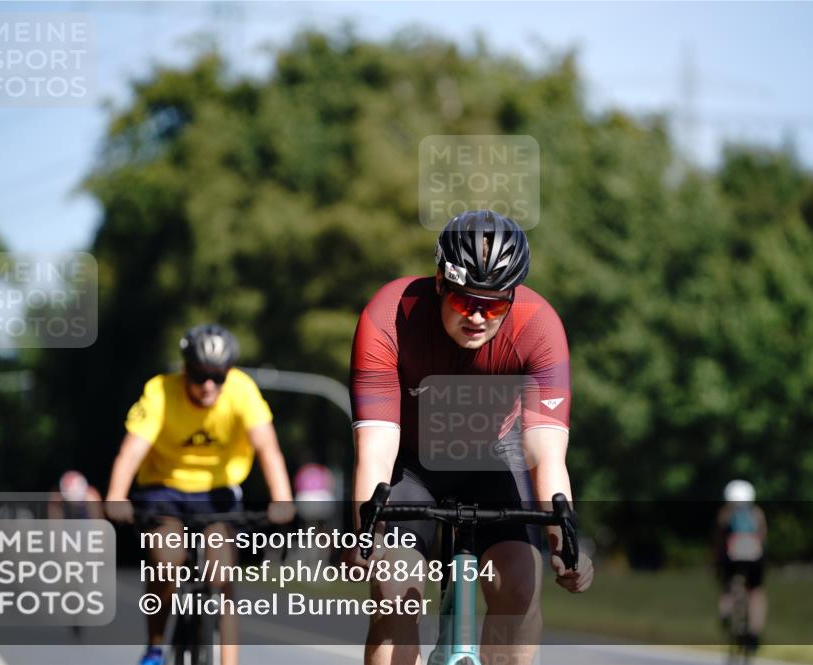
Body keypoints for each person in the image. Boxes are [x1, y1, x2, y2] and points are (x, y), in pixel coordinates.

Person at [348, 210, 594, 665]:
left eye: (495, 304)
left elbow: (545, 456)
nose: (479, 317)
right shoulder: (388, 315)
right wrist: (364, 537)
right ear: (441, 282)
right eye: (466, 302)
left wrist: (565, 542)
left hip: (493, 461)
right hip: (411, 466)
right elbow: (377, 451)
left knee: (520, 588)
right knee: (393, 591)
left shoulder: (539, 328)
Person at [105, 324, 295, 665]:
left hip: (218, 493)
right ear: (185, 368)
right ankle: (155, 646)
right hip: (164, 489)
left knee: (222, 575)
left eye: (218, 377)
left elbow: (268, 448)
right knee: (166, 560)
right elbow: (131, 451)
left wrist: (282, 498)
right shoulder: (160, 391)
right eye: (199, 375)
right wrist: (117, 494)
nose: (208, 386)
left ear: (228, 373)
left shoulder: (242, 390)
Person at [715, 479, 767, 652]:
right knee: (756, 591)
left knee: (726, 585)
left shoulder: (726, 513)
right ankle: (754, 632)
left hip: (732, 556)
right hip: (754, 556)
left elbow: (720, 540)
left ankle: (726, 612)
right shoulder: (757, 512)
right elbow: (763, 537)